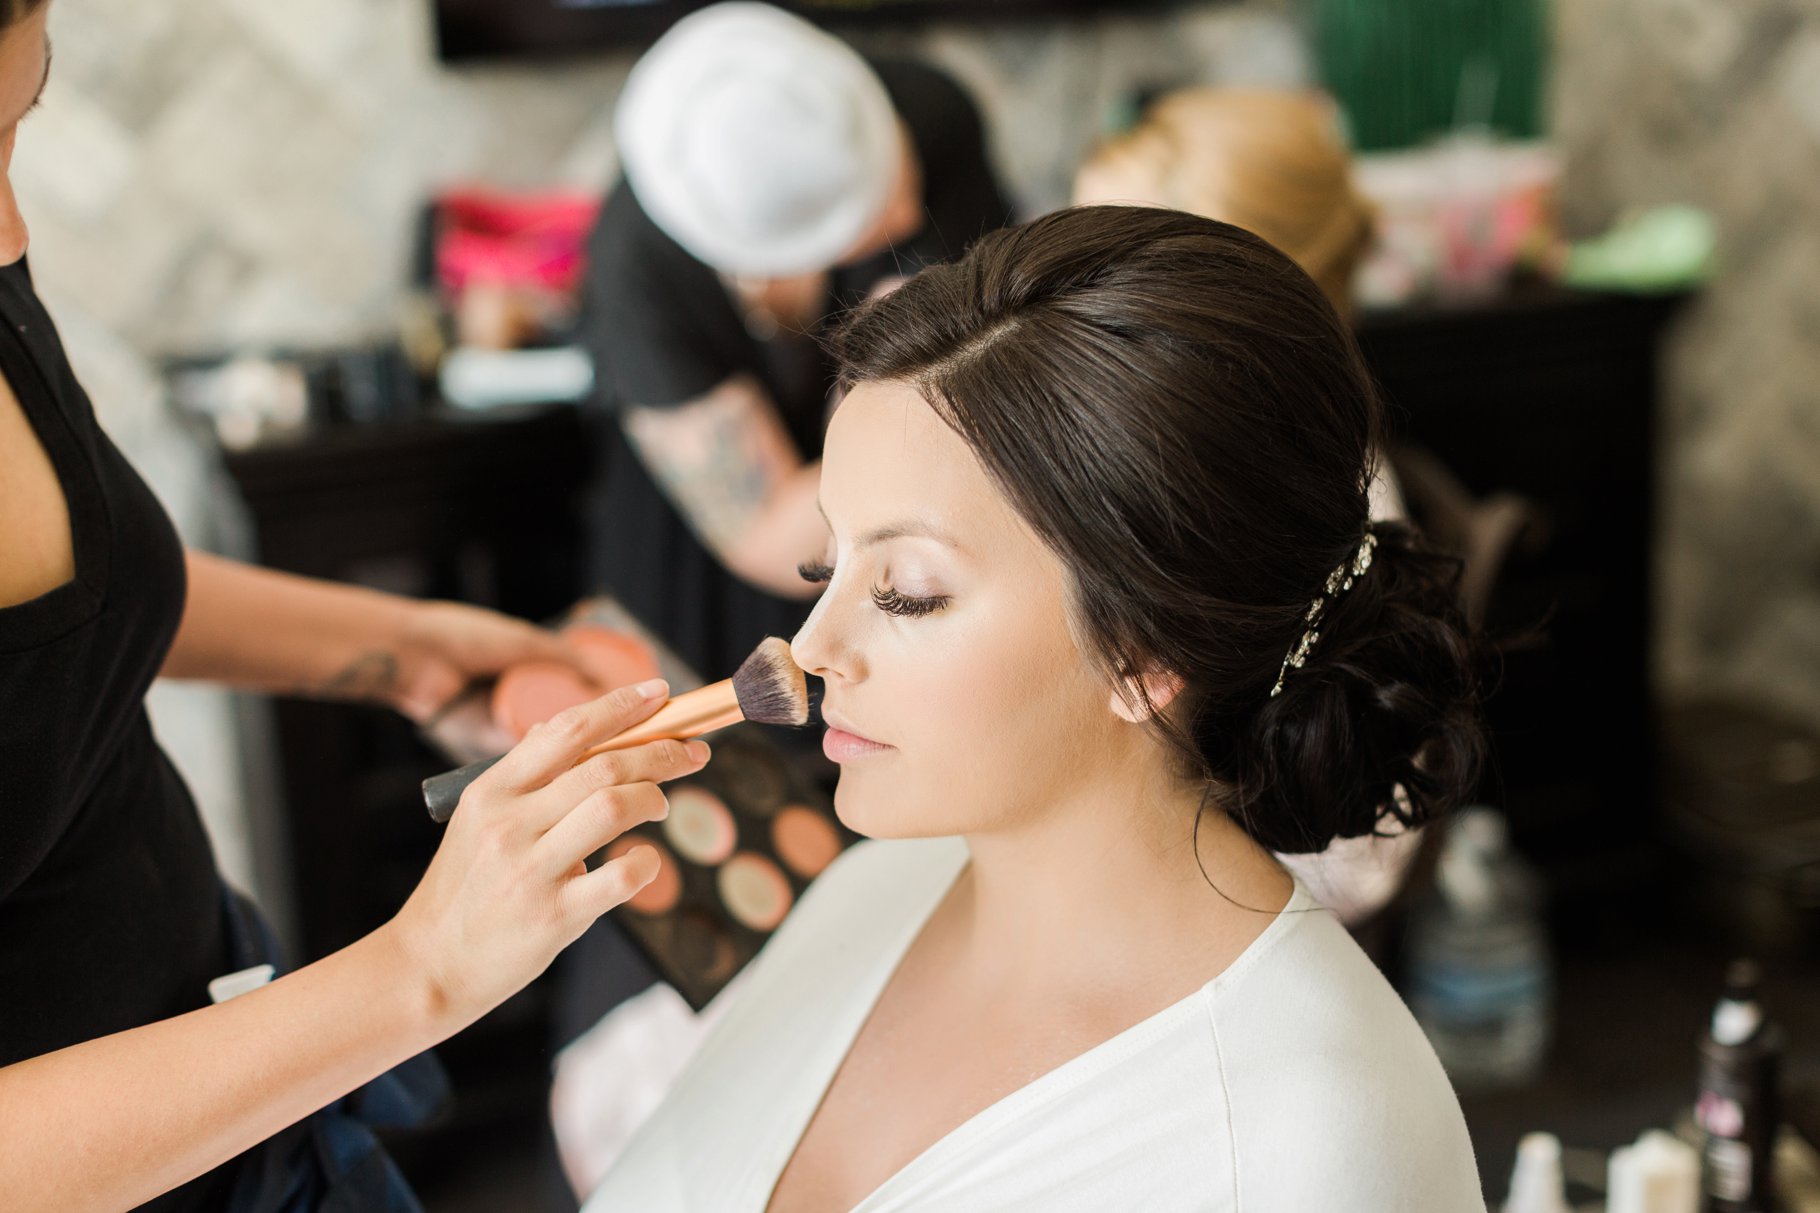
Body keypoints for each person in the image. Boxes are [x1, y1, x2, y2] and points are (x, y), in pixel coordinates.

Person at [584, 206, 1489, 1211]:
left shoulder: (1304, 1144)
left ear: (1143, 650)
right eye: (823, 564)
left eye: (906, 592)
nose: (807, 652)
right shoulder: (866, 897)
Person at [0, 3, 701, 1207]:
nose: (9, 231)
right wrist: (422, 971)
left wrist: (409, 652)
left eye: (20, 117)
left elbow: (76, 614)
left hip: (248, 1089)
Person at [577, 1, 1011, 681]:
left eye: (890, 150)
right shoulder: (640, 259)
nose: (906, 206)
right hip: (734, 558)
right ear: (763, 257)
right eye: (866, 214)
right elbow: (773, 534)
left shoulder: (932, 112)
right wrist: (880, 378)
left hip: (917, 538)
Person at [1075, 88, 1422, 923]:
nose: (1063, 326)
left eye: (1097, 301)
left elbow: (1351, 869)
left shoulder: (1303, 512)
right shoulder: (1137, 450)